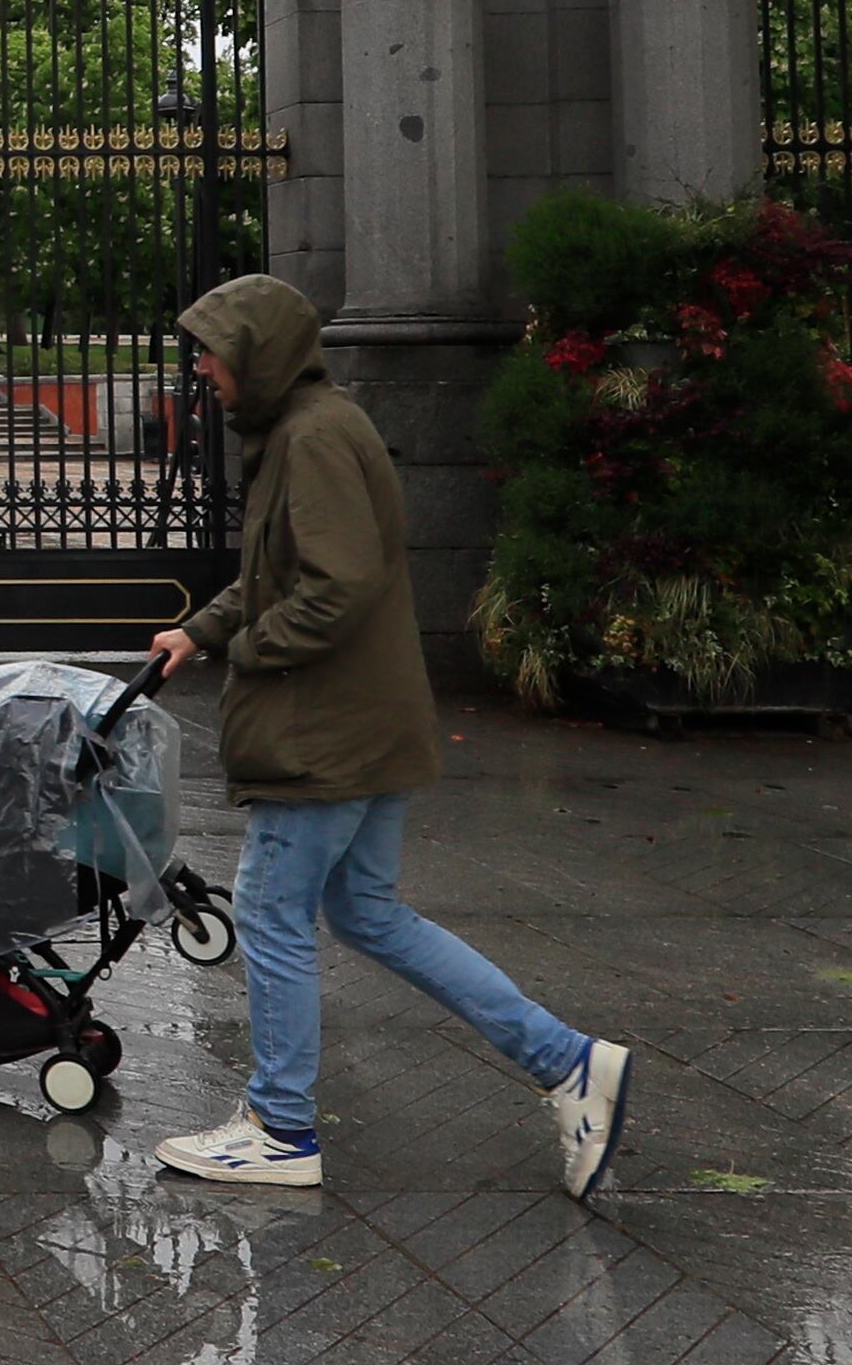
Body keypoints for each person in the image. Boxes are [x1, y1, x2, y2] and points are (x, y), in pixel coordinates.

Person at [144, 273, 631, 1197]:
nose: (201, 366)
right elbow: (281, 571)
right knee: (366, 912)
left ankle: (280, 1127)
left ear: (257, 352)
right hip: (364, 720)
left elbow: (335, 586)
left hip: (323, 731)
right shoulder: (307, 428)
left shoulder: (313, 438)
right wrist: (201, 629)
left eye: (211, 348)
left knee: (270, 915)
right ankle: (566, 1061)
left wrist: (247, 648)